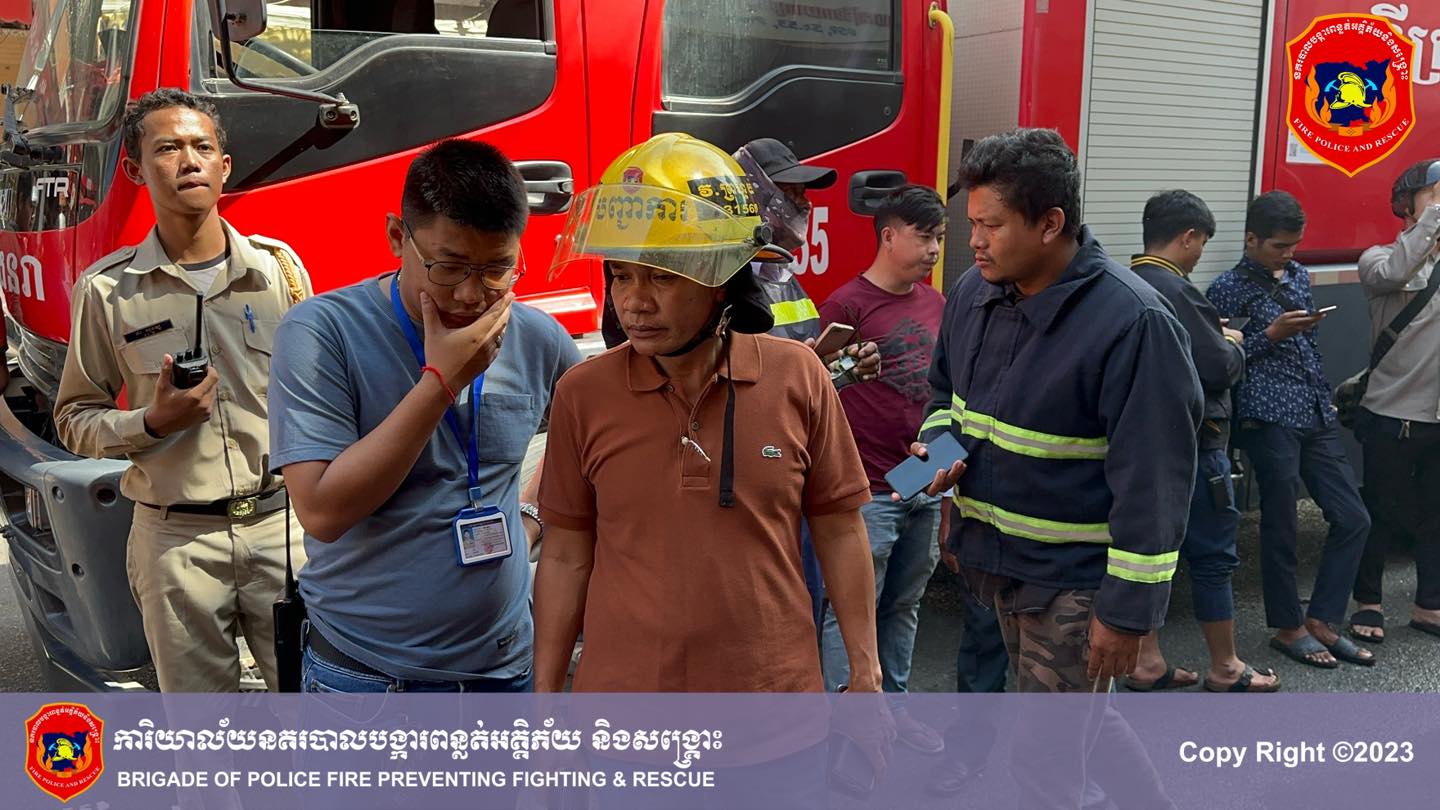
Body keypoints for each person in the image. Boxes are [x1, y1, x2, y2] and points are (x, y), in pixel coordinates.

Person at [533, 133, 884, 697]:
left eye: (663, 276)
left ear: (722, 280)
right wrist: (546, 697)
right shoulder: (583, 394)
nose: (635, 301)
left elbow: (840, 529)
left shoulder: (799, 376)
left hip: (775, 710)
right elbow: (565, 556)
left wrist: (866, 672)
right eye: (621, 274)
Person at [915, 128, 1198, 807]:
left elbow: (1155, 485)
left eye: (991, 226)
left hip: (1072, 584)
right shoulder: (974, 292)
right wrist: (940, 456)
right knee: (1084, 722)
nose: (973, 241)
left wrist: (1125, 615)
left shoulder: (1134, 323)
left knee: (1043, 762)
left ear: (1050, 223)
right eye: (970, 224)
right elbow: (944, 399)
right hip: (994, 561)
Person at [269, 139, 579, 693]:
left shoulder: (538, 338)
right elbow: (322, 510)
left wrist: (529, 513)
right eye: (449, 267)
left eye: (498, 269)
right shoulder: (321, 332)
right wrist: (441, 382)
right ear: (397, 237)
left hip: (505, 670)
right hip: (368, 680)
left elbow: (589, 449)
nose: (471, 294)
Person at [54, 88, 312, 691]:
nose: (189, 161)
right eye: (168, 148)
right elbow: (74, 417)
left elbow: (318, 392)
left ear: (225, 166)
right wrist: (150, 423)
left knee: (317, 711)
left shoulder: (277, 270)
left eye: (203, 147)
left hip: (282, 529)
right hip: (177, 543)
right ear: (135, 170)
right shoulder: (109, 291)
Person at [1207, 190, 1374, 670]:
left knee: (1353, 517)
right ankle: (1288, 627)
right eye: (1279, 246)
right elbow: (1218, 360)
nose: (1289, 254)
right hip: (1266, 415)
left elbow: (1309, 346)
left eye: (1294, 245)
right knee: (1280, 524)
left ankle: (1322, 618)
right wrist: (1269, 335)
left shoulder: (1299, 275)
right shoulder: (1225, 289)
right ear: (1251, 240)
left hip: (1314, 410)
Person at [1128, 190, 1280, 692]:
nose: (1199, 255)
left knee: (1149, 556)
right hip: (1196, 446)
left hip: (1140, 448)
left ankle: (1146, 661)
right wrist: (1233, 343)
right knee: (1214, 557)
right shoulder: (1178, 290)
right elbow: (1216, 367)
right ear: (1188, 237)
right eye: (1202, 243)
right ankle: (1227, 666)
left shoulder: (1125, 283)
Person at [815, 184, 947, 750]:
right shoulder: (847, 306)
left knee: (905, 604)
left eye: (940, 237)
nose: (935, 249)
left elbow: (948, 395)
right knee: (852, 609)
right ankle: (843, 723)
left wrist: (941, 471)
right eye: (925, 237)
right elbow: (819, 396)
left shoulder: (938, 304)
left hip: (921, 479)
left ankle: (894, 711)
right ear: (888, 236)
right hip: (866, 487)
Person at [734, 138, 881, 638]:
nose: (804, 204)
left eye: (804, 193)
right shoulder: (726, 284)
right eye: (791, 192)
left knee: (804, 623)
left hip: (799, 478)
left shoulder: (784, 277)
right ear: (754, 194)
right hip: (756, 493)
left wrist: (843, 370)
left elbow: (802, 382)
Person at [1348, 159, 1440, 644]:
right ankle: (1368, 602)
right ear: (1407, 203)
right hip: (1390, 414)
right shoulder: (1377, 259)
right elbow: (1401, 270)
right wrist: (1433, 218)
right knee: (1380, 513)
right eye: (1434, 192)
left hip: (1437, 416)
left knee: (1435, 517)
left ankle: (1429, 605)